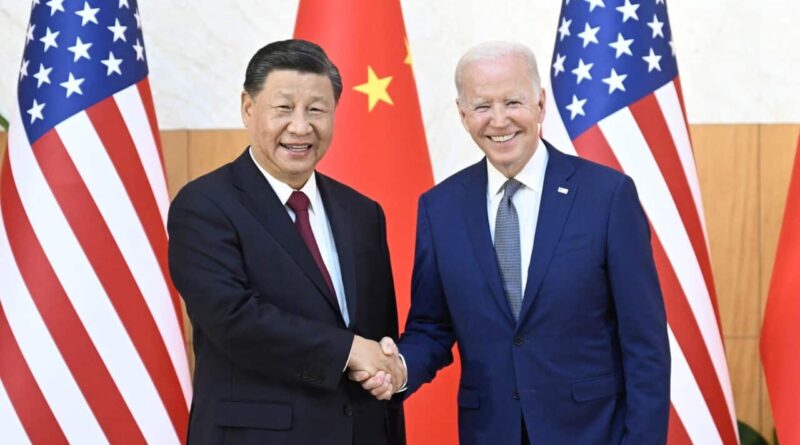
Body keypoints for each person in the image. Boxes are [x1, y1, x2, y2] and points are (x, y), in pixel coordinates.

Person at [353, 41, 670, 444]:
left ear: (540, 104)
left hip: (592, 432)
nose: (499, 120)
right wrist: (398, 367)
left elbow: (645, 346)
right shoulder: (440, 207)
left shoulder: (607, 196)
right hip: (490, 432)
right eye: (482, 106)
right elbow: (432, 327)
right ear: (463, 115)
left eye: (513, 102)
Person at [168, 39, 405, 445]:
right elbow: (234, 320)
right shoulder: (204, 204)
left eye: (316, 110)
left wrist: (388, 371)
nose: (300, 127)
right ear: (248, 108)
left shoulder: (362, 212)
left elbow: (379, 337)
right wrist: (348, 350)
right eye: (283, 108)